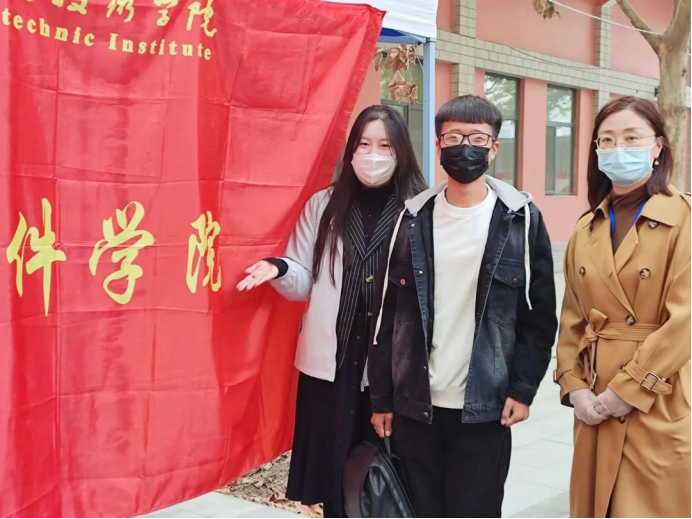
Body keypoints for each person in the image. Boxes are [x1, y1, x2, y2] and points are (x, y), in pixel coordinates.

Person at [368, 95, 558, 518]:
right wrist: (381, 399)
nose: (464, 147)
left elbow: (539, 317)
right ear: (438, 146)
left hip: (485, 410)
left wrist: (523, 389)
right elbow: (386, 315)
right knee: (419, 510)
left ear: (494, 148)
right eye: (453, 137)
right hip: (416, 406)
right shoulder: (411, 219)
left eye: (477, 138)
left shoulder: (521, 221)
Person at [236, 105, 427, 518]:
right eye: (364, 145)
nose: (373, 156)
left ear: (401, 152)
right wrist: (279, 268)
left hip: (392, 371)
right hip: (332, 369)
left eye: (385, 146)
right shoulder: (324, 205)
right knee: (336, 482)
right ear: (351, 150)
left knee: (389, 484)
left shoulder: (421, 209)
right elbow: (304, 278)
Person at [555, 96, 691, 518]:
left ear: (658, 147)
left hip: (659, 396)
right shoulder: (587, 226)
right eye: (607, 140)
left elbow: (685, 321)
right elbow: (573, 317)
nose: (618, 149)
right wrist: (574, 385)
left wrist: (628, 391)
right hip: (595, 400)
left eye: (632, 138)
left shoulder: (684, 219)